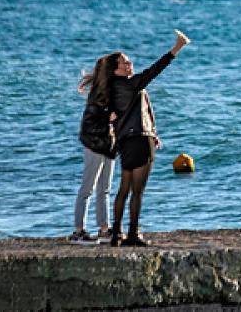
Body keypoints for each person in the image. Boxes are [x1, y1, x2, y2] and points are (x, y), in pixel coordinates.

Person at [109, 30, 190, 246]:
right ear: (115, 69)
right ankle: (133, 234)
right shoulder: (130, 84)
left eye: (129, 62)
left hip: (126, 141)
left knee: (124, 188)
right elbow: (155, 70)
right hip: (140, 140)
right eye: (125, 64)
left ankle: (116, 234)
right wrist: (177, 48)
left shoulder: (113, 88)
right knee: (137, 191)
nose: (130, 65)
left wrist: (153, 130)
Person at [70, 55, 120, 245]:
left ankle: (104, 229)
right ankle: (78, 231)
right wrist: (109, 116)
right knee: (87, 188)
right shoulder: (100, 92)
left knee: (104, 189)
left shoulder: (111, 88)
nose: (126, 65)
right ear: (112, 69)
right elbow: (90, 120)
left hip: (108, 145)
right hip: (95, 144)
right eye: (121, 63)